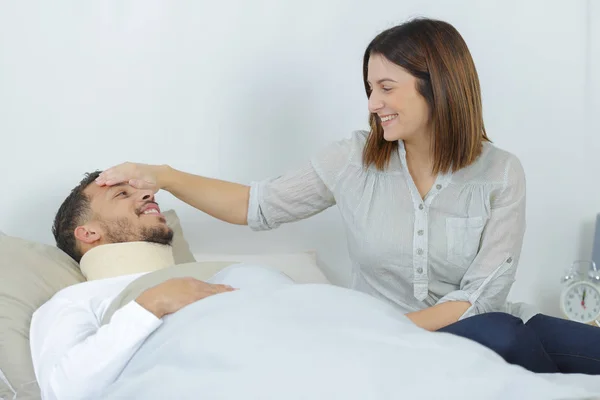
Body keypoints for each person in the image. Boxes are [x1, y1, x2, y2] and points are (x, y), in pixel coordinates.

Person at [96, 17, 600, 375]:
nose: (373, 104)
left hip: (482, 322)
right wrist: (163, 175)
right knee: (507, 338)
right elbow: (258, 205)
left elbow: (481, 297)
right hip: (411, 336)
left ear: (438, 87)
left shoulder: (501, 172)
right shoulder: (354, 159)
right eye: (369, 89)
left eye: (386, 87)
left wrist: (400, 327)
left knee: (522, 333)